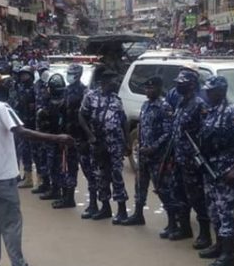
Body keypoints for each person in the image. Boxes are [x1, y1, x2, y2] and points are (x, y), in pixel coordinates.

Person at [0, 71, 73, 266]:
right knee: (11, 224)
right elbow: (21, 132)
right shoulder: (1, 108)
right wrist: (57, 138)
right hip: (2, 176)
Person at [197, 76, 234, 266]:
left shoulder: (231, 113)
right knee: (213, 211)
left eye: (210, 91)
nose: (207, 94)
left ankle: (229, 255)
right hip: (210, 170)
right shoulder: (208, 111)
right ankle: (218, 246)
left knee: (226, 213)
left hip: (226, 171)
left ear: (221, 91)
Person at [121, 76, 174, 227]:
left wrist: (154, 147)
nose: (148, 90)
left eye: (151, 88)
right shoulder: (145, 105)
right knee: (140, 186)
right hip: (144, 155)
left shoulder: (164, 107)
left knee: (163, 189)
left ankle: (172, 222)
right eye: (146, 88)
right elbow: (142, 129)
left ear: (159, 88)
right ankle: (138, 215)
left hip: (157, 157)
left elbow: (168, 132)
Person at [79, 69, 129, 224]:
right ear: (104, 82)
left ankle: (122, 210)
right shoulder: (90, 97)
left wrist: (126, 142)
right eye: (113, 81)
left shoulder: (116, 100)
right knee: (101, 176)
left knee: (117, 176)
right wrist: (90, 136)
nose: (116, 84)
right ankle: (105, 207)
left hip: (115, 145)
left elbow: (123, 121)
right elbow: (81, 116)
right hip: (98, 144)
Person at [169, 69, 212, 245]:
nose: (178, 85)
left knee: (197, 197)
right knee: (179, 194)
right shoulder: (181, 102)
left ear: (192, 85)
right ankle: (184, 228)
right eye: (178, 82)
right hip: (179, 158)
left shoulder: (199, 105)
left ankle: (205, 234)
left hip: (192, 161)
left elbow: (206, 134)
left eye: (182, 83)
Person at [36, 73, 78, 208]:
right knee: (53, 166)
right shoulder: (52, 102)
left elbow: (67, 123)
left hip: (62, 141)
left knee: (64, 168)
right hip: (52, 139)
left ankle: (67, 197)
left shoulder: (64, 103)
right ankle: (56, 190)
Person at [64, 63, 97, 218]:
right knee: (69, 168)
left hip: (82, 137)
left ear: (78, 75)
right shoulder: (66, 90)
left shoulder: (86, 93)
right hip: (69, 136)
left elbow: (88, 118)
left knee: (89, 171)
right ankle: (69, 198)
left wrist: (87, 138)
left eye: (72, 73)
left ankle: (93, 204)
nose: (69, 75)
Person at [30, 62, 51, 195]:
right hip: (36, 124)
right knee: (38, 155)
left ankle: (49, 184)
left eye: (44, 70)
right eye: (40, 70)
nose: (42, 72)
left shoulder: (52, 85)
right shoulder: (36, 85)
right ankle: (42, 181)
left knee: (48, 157)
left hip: (48, 126)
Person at [13, 66, 36, 189]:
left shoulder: (35, 89)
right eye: (22, 75)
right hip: (22, 124)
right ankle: (27, 177)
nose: (23, 77)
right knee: (24, 151)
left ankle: (38, 180)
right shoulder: (20, 88)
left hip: (32, 125)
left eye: (25, 75)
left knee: (35, 153)